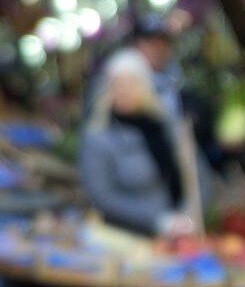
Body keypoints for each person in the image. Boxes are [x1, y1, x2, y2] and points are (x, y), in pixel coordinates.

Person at [78, 50, 194, 237]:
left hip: (176, 233)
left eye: (132, 83)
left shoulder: (163, 127)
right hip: (125, 237)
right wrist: (158, 220)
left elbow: (192, 173)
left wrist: (188, 215)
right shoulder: (98, 136)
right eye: (118, 84)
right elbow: (102, 197)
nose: (124, 91)